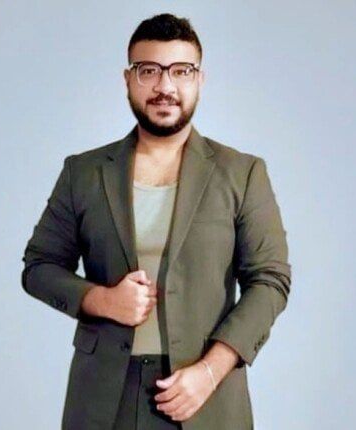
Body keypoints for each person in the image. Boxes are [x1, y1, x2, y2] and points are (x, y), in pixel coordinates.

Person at [21, 13, 291, 430]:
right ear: (128, 79)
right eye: (149, 71)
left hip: (204, 394)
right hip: (104, 397)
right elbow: (39, 267)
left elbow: (270, 281)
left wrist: (210, 371)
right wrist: (101, 300)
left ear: (200, 79)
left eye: (181, 71)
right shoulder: (84, 172)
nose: (165, 86)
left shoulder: (242, 173)